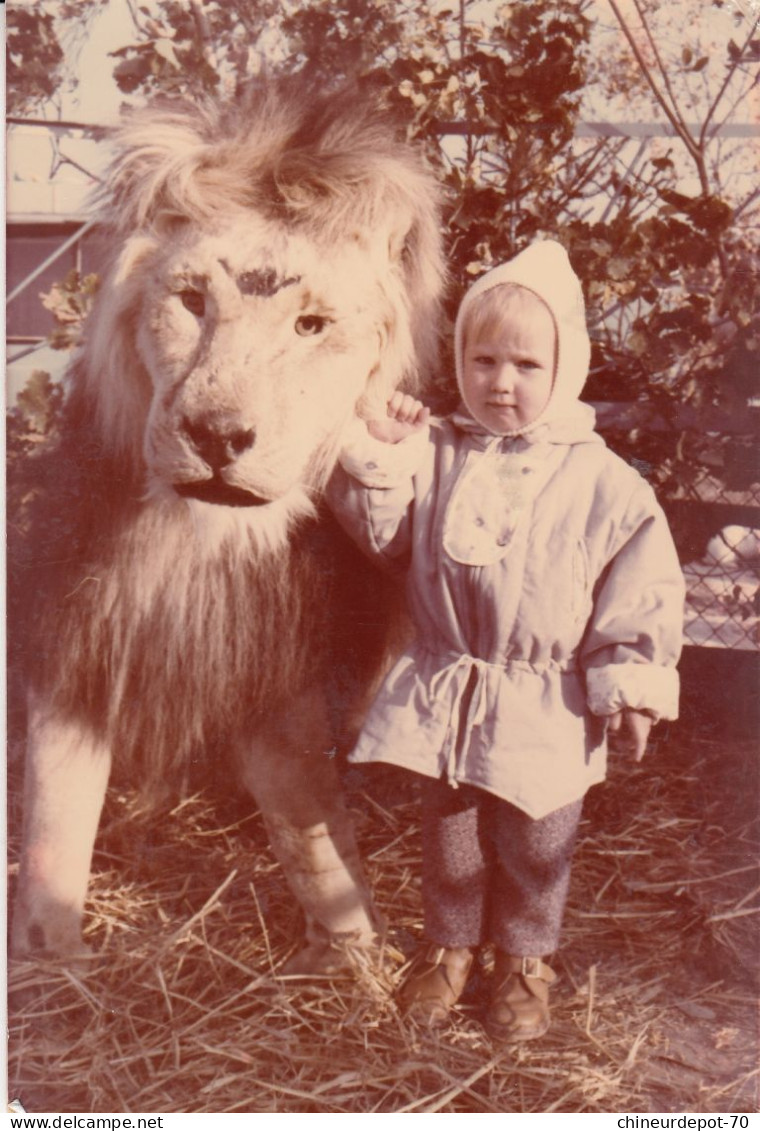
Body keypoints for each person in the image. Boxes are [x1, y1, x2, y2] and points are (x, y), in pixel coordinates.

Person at [328, 239, 684, 1041]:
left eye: (525, 365)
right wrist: (385, 451)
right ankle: (449, 949)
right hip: (449, 685)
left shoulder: (605, 482)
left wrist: (629, 684)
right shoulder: (438, 452)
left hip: (545, 700)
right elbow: (384, 539)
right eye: (482, 359)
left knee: (536, 844)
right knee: (451, 842)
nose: (500, 382)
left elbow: (640, 592)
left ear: (564, 367)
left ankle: (526, 961)